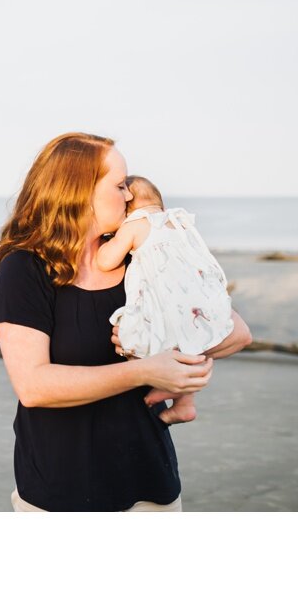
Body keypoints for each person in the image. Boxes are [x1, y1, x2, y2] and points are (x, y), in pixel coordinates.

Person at [0, 133, 252, 511]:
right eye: (121, 185)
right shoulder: (25, 269)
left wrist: (172, 357)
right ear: (79, 191)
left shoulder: (139, 261)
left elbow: (236, 331)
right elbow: (34, 386)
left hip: (150, 487)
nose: (130, 196)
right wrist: (146, 370)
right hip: (59, 491)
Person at [93, 175, 233, 425]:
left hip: (162, 300)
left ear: (127, 207)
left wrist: (105, 241)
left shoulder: (135, 224)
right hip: (195, 297)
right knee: (188, 342)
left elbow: (105, 261)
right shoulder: (176, 223)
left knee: (136, 337)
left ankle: (163, 384)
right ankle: (185, 402)